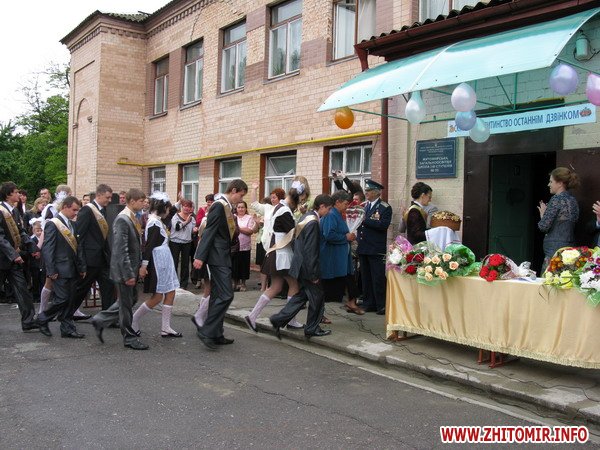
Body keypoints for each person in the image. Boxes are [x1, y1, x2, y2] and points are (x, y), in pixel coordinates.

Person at [192, 179, 248, 350]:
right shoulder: (219, 205)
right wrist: (200, 256)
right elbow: (209, 230)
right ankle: (207, 330)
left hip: (223, 255)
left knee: (218, 295)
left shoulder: (226, 206)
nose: (240, 200)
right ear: (233, 190)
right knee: (226, 295)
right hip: (216, 257)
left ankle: (217, 333)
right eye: (240, 195)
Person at [91, 188, 148, 350]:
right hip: (124, 271)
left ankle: (100, 320)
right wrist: (128, 273)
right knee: (125, 305)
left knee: (130, 300)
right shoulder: (123, 219)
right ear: (132, 201)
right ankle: (129, 337)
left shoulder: (131, 218)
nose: (144, 203)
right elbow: (120, 249)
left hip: (129, 269)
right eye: (141, 201)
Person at [270, 194, 334, 338]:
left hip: (300, 264)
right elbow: (310, 250)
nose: (329, 212)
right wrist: (313, 275)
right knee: (317, 297)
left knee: (302, 296)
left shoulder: (306, 216)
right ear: (322, 206)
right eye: (328, 209)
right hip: (307, 267)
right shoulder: (312, 222)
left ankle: (278, 319)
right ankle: (312, 328)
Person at [245, 184, 303, 333]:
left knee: (275, 287)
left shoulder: (276, 209)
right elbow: (293, 234)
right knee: (294, 285)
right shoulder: (284, 211)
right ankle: (291, 319)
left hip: (273, 252)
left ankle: (252, 316)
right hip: (282, 254)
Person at [132, 192, 182, 337]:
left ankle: (165, 327)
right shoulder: (154, 222)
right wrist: (144, 266)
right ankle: (133, 320)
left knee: (171, 292)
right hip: (158, 261)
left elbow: (171, 212)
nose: (168, 210)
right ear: (161, 208)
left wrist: (177, 202)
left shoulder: (158, 219)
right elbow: (149, 247)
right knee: (157, 296)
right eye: (166, 208)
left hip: (165, 259)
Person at [37, 196, 87, 338]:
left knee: (70, 299)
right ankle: (42, 318)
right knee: (63, 298)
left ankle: (67, 328)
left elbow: (79, 248)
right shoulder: (53, 224)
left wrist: (82, 267)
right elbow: (48, 249)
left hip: (73, 268)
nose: (76, 213)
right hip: (59, 269)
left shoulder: (73, 224)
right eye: (74, 210)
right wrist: (51, 270)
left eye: (77, 210)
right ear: (65, 206)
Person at [0, 182, 39, 332]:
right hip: (3, 258)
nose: (19, 194)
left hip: (14, 259)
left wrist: (32, 247)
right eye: (16, 192)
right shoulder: (1, 211)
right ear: (9, 194)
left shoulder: (15, 211)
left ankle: (28, 321)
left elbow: (21, 232)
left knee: (22, 289)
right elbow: (0, 237)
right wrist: (13, 254)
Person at [71, 184, 116, 314]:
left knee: (108, 286)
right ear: (99, 195)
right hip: (90, 259)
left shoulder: (103, 210)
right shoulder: (87, 210)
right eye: (107, 197)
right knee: (82, 289)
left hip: (102, 258)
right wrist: (82, 261)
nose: (109, 200)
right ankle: (67, 312)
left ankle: (108, 317)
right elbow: (79, 236)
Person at [320, 191, 363, 314]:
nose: (347, 206)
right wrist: (346, 237)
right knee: (327, 286)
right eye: (345, 203)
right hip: (332, 256)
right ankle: (319, 313)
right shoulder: (331, 215)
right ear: (337, 202)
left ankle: (351, 302)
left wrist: (349, 237)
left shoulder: (337, 214)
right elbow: (329, 234)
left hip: (341, 256)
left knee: (349, 279)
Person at [356, 179, 392, 315]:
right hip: (363, 245)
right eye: (366, 191)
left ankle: (381, 304)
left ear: (376, 193)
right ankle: (368, 303)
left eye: (369, 191)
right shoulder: (364, 206)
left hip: (376, 247)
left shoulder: (385, 207)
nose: (366, 193)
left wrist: (366, 219)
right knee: (365, 277)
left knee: (377, 277)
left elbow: (383, 225)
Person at [537, 167, 580, 270]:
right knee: (565, 281)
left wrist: (543, 214)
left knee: (549, 281)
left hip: (554, 251)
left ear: (560, 183)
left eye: (551, 181)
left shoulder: (556, 199)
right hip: (570, 250)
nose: (549, 184)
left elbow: (543, 226)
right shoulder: (573, 200)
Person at [250, 184, 286, 292]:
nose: (272, 199)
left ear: (280, 198)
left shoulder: (284, 209)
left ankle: (277, 289)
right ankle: (271, 288)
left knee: (275, 266)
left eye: (274, 197)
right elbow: (254, 204)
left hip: (278, 243)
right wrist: (254, 189)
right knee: (268, 266)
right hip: (267, 242)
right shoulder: (268, 208)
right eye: (271, 197)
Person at [169, 199, 196, 289]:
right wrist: (186, 222)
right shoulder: (175, 216)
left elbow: (192, 230)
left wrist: (195, 230)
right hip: (175, 242)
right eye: (185, 206)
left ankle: (183, 285)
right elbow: (177, 227)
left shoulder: (192, 218)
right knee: (174, 263)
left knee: (185, 264)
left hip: (186, 243)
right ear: (182, 207)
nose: (186, 208)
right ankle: (173, 283)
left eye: (189, 207)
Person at [232, 201, 256, 292]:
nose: (241, 209)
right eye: (239, 207)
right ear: (236, 209)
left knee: (244, 265)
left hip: (245, 246)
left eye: (242, 207)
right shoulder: (233, 217)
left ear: (246, 209)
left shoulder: (249, 218)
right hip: (234, 245)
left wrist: (238, 228)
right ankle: (235, 283)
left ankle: (243, 283)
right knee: (234, 265)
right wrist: (242, 229)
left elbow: (250, 231)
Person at [28, 219, 44, 303]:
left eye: (41, 230)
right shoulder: (32, 240)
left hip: (42, 262)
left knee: (42, 280)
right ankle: (35, 296)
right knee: (35, 280)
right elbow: (31, 250)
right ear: (33, 231)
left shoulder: (43, 238)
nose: (40, 232)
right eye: (37, 230)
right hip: (35, 263)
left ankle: (41, 295)